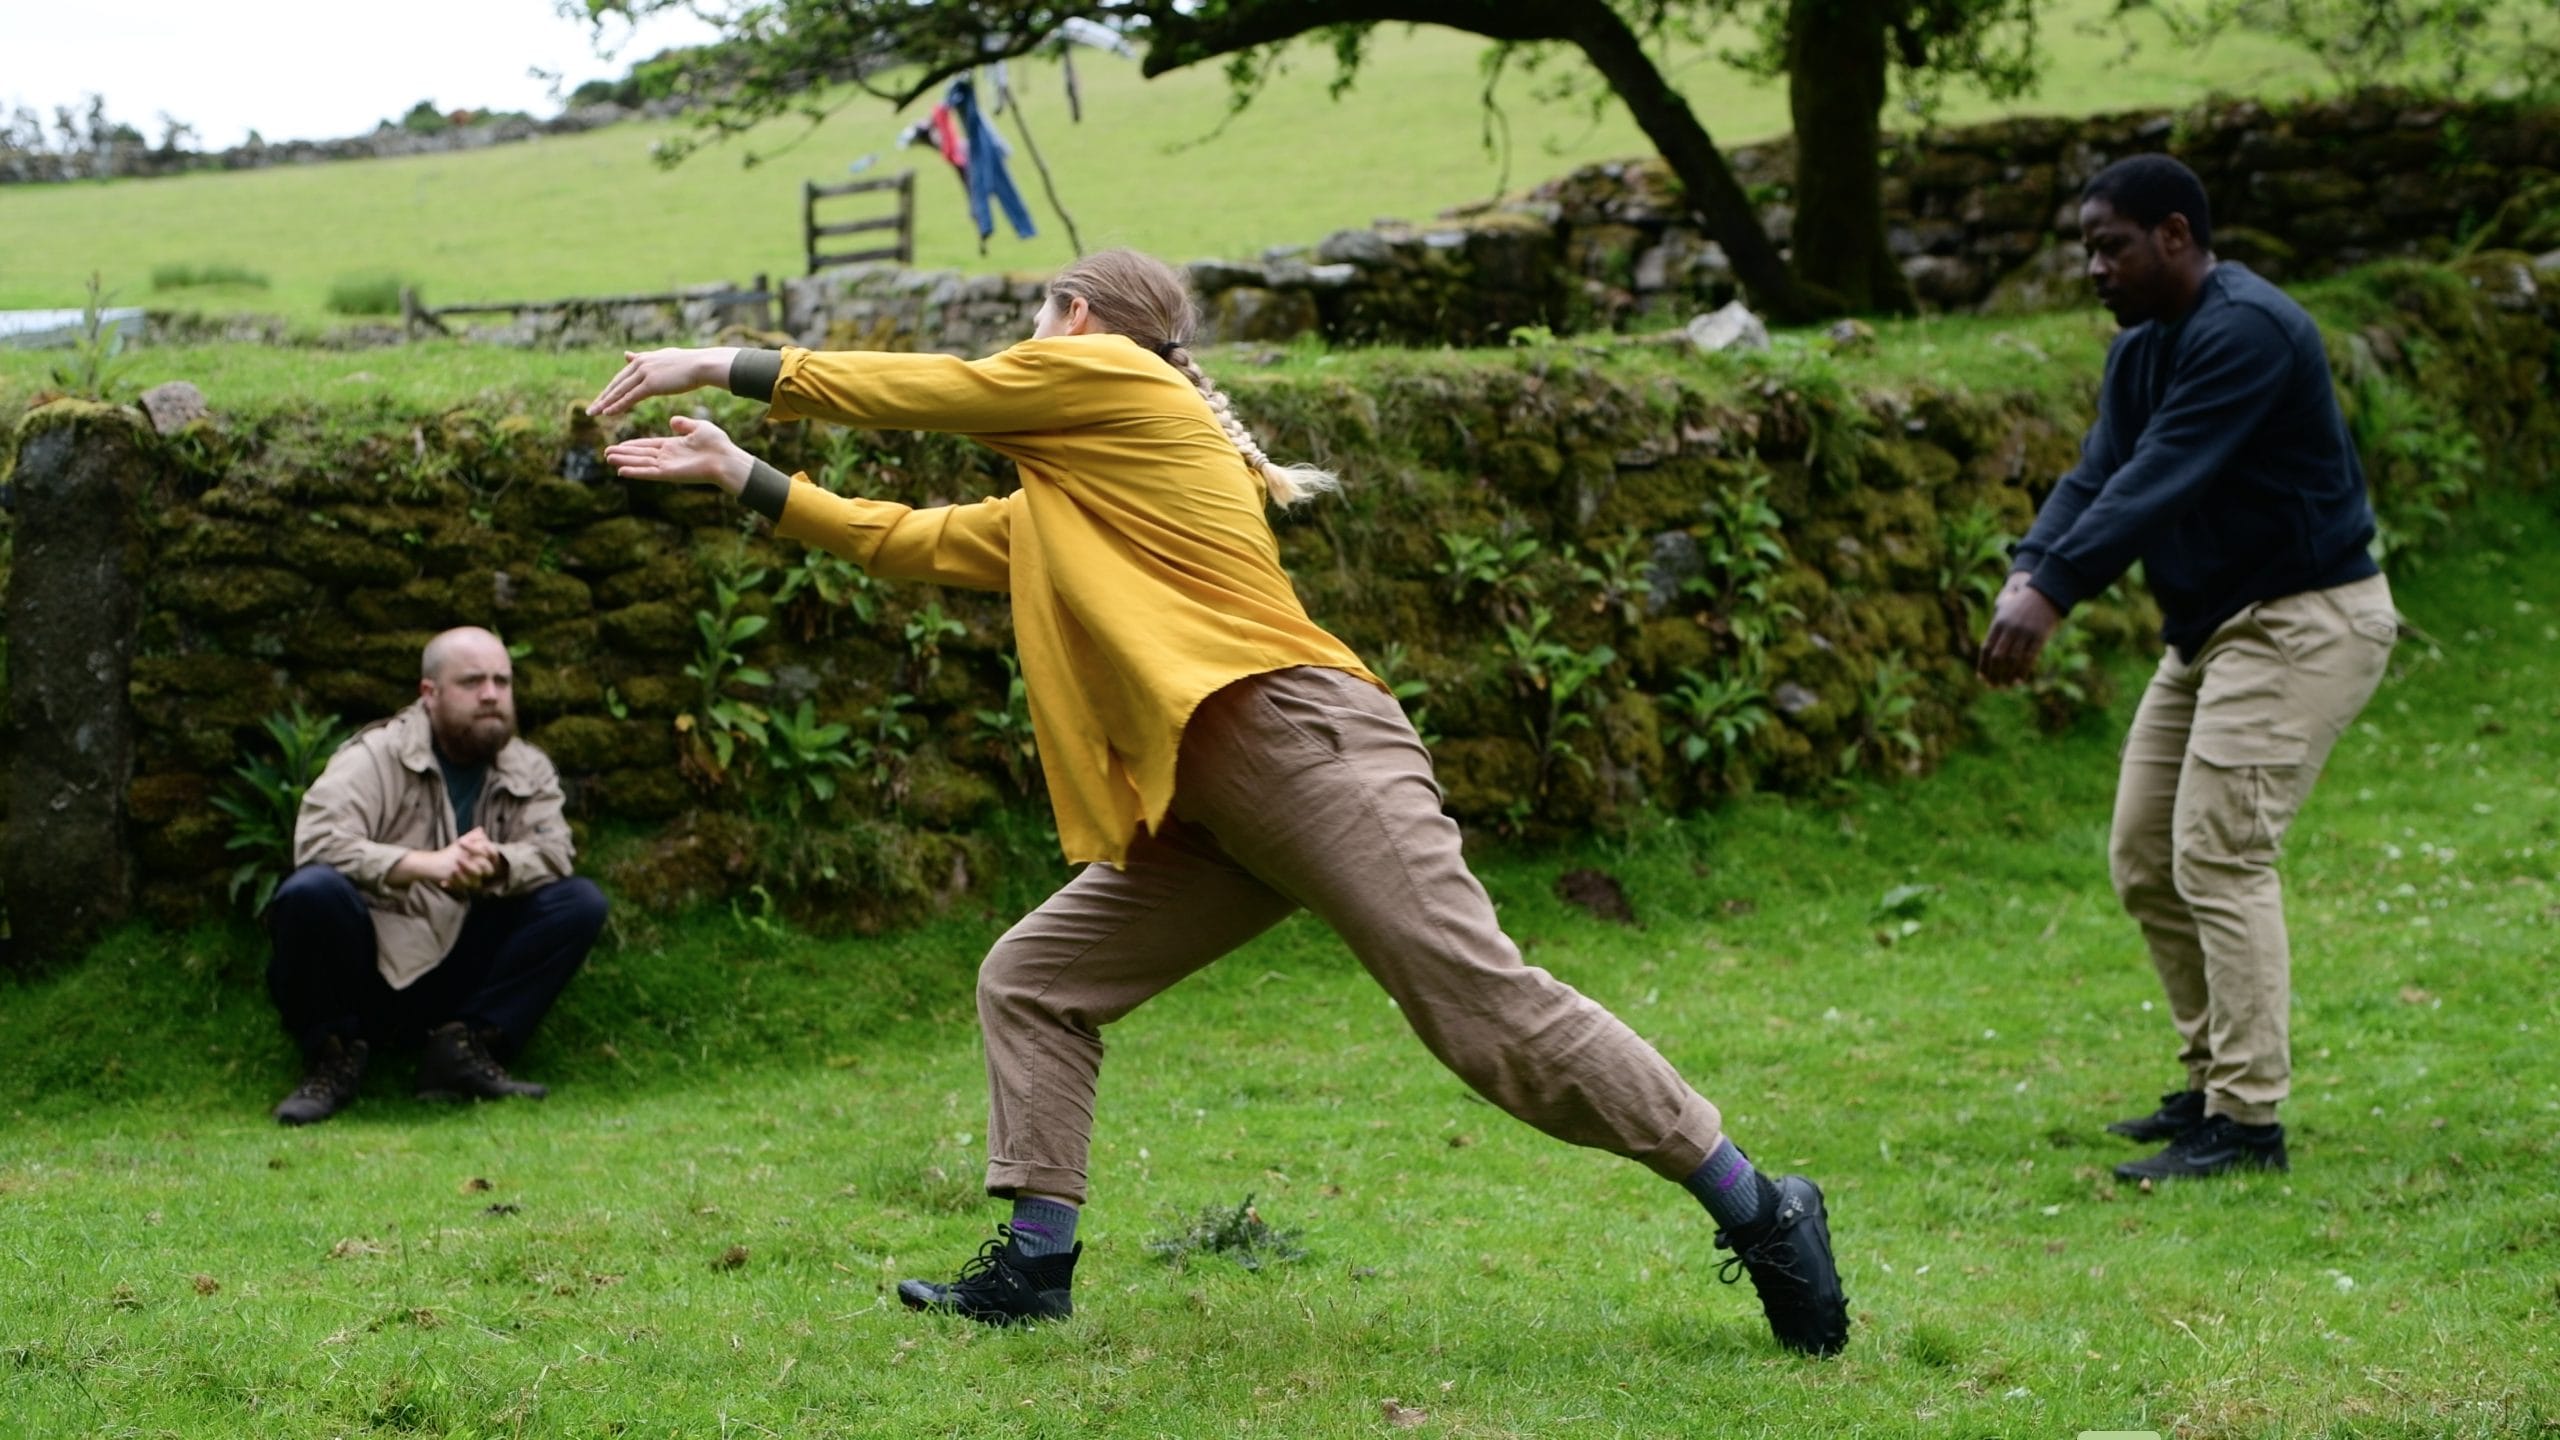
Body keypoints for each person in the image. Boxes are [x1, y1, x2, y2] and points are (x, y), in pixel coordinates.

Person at [587, 248, 1850, 1352]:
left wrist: (714, 362)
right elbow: (909, 538)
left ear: (1077, 316)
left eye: (1036, 323)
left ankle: (1759, 1205)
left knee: (1481, 1011)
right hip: (1212, 794)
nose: (1026, 347)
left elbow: (941, 391)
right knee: (1036, 981)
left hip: (1303, 746)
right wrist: (742, 472)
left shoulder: (1120, 383)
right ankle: (1033, 1270)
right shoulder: (1083, 491)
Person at [1979, 156, 2398, 1183]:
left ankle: (2246, 1122)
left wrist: (2054, 592)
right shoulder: (2141, 350)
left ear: (2174, 234)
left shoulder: (2247, 331)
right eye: (2086, 249)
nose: (2094, 268)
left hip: (2302, 619)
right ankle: (2213, 1079)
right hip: (2212, 631)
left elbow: (2163, 475)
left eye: (2110, 246)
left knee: (2219, 854)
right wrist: (2030, 566)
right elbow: (2097, 473)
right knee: (2142, 855)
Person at [265, 626, 607, 1126]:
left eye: (502, 681)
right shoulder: (374, 757)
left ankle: (464, 1048)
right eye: (472, 682)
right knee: (310, 893)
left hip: (461, 966)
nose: (491, 695)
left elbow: (555, 852)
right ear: (430, 693)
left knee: (579, 902)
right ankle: (331, 1056)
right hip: (373, 966)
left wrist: (496, 864)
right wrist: (425, 865)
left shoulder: (527, 767)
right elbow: (317, 842)